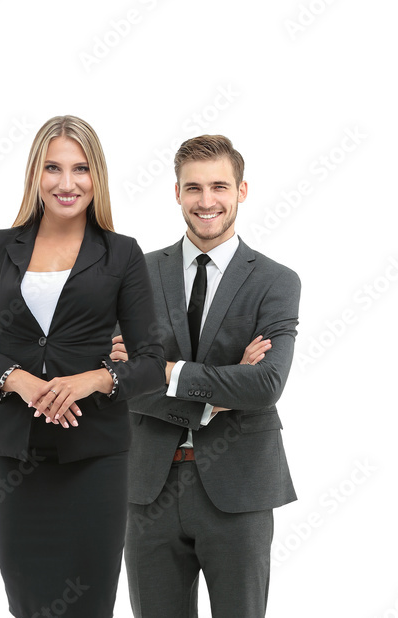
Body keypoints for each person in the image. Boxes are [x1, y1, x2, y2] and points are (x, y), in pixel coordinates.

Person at [0, 115, 165, 617]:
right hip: (13, 458)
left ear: (98, 177)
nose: (67, 183)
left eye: (80, 169)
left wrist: (93, 379)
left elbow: (152, 362)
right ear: (34, 174)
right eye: (53, 168)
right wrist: (18, 380)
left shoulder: (122, 254)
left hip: (96, 457)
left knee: (88, 604)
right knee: (28, 602)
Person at [117, 134, 299, 618]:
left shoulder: (275, 282)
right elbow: (118, 380)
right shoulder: (136, 274)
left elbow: (266, 385)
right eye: (193, 187)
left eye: (219, 185)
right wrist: (215, 389)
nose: (206, 200)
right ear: (177, 193)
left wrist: (169, 369)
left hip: (239, 489)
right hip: (147, 486)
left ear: (241, 190)